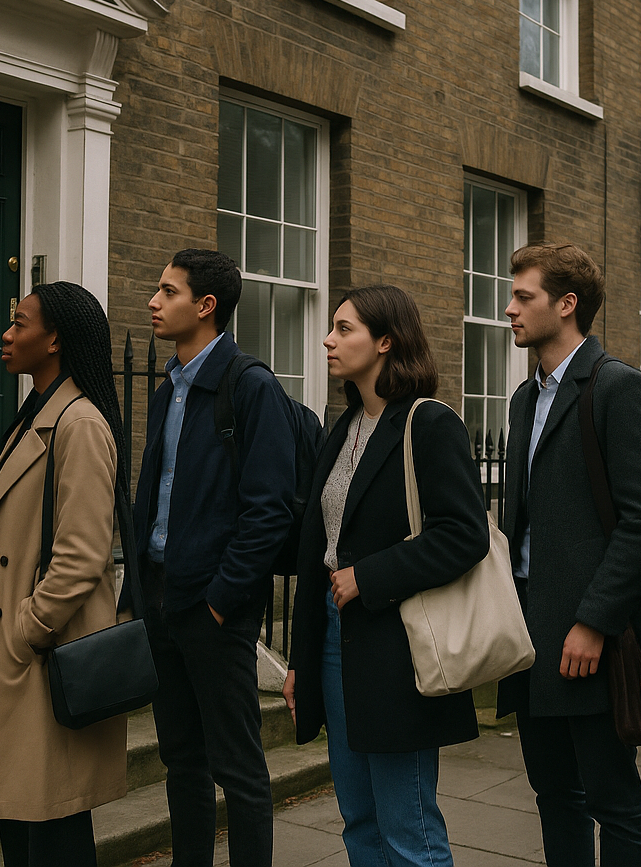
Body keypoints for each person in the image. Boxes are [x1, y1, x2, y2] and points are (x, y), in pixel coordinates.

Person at [283, 285, 490, 867]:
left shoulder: (428, 424)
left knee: (409, 832)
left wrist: (366, 577)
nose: (328, 339)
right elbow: (314, 550)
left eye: (344, 329)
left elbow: (464, 533)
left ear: (385, 341)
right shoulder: (344, 426)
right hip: (334, 640)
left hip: (399, 646)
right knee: (360, 823)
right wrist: (301, 658)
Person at [496, 243, 641, 867]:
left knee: (613, 801)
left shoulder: (618, 388)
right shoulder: (523, 400)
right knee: (552, 795)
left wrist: (594, 621)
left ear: (567, 305)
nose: (508, 308)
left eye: (523, 297)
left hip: (588, 636)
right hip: (530, 632)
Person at [0, 281, 131, 867]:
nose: (6, 334)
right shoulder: (38, 416)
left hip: (41, 657)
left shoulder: (78, 424)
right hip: (17, 662)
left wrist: (27, 627)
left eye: (20, 323)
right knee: (22, 828)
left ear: (53, 340)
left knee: (52, 835)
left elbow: (82, 554)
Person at [132, 249, 296, 867]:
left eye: (167, 291)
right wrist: (142, 591)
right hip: (162, 599)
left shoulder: (249, 385)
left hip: (213, 609)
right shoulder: (167, 386)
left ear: (205, 307)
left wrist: (223, 601)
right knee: (181, 759)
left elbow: (269, 510)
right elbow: (154, 497)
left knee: (238, 768)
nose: (153, 301)